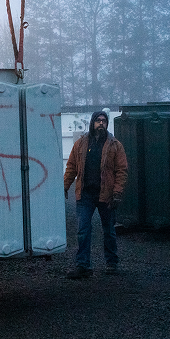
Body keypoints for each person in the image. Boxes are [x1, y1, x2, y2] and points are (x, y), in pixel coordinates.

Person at [63, 110, 128, 278]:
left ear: (107, 124)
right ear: (92, 123)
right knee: (83, 230)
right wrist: (64, 186)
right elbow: (71, 167)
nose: (101, 123)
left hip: (106, 195)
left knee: (109, 230)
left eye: (104, 121)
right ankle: (83, 266)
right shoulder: (81, 144)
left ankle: (112, 263)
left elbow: (122, 171)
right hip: (85, 195)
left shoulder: (115, 145)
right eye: (98, 120)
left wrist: (117, 193)